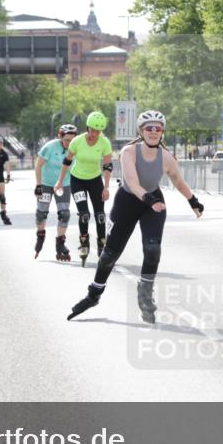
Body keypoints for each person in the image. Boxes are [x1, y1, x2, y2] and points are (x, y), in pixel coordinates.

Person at [67, 110, 204, 323]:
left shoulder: (166, 157)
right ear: (141, 131)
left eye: (157, 128)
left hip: (153, 204)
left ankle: (145, 292)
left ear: (162, 132)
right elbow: (131, 182)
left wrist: (193, 201)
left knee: (152, 249)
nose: (153, 131)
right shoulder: (129, 151)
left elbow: (178, 180)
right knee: (110, 255)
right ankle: (94, 294)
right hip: (128, 202)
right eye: (148, 128)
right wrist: (148, 200)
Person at [54, 111, 114, 266]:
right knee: (84, 214)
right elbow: (66, 162)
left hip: (95, 180)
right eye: (92, 130)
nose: (95, 134)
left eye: (98, 131)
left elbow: (107, 166)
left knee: (100, 215)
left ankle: (102, 244)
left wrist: (106, 187)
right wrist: (60, 181)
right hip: (77, 180)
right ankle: (84, 243)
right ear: (87, 127)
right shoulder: (77, 141)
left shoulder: (104, 143)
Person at [34, 124, 77, 260]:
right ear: (60, 137)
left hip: (63, 184)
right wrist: (38, 185)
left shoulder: (76, 148)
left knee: (64, 214)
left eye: (72, 140)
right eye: (66, 140)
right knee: (41, 214)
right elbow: (38, 165)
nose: (69, 143)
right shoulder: (50, 146)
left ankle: (60, 244)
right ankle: (40, 237)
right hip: (46, 184)